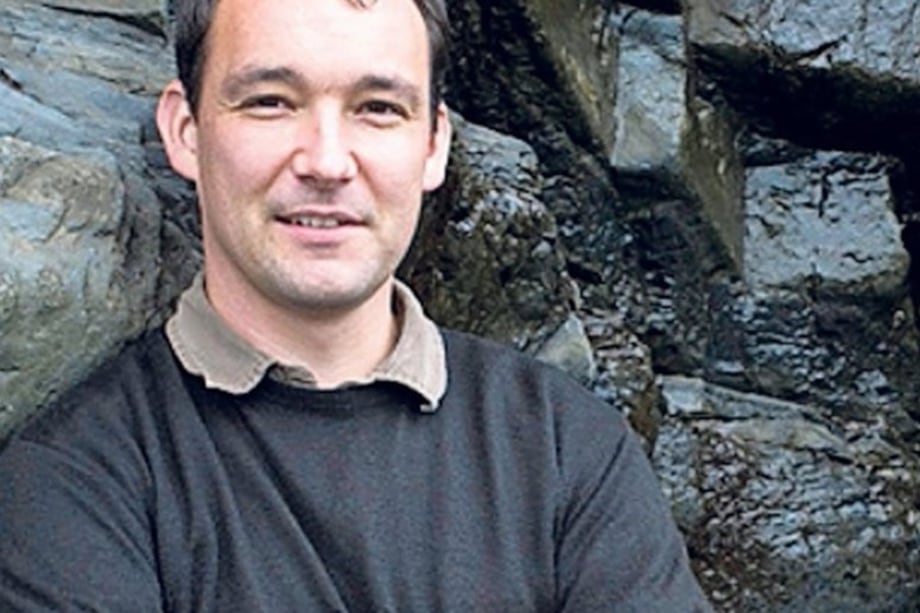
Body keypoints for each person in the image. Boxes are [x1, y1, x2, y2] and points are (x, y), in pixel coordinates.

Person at [0, 0, 712, 610]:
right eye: (271, 101)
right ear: (186, 130)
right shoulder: (73, 483)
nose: (327, 161)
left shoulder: (569, 449)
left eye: (378, 109)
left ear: (433, 144)